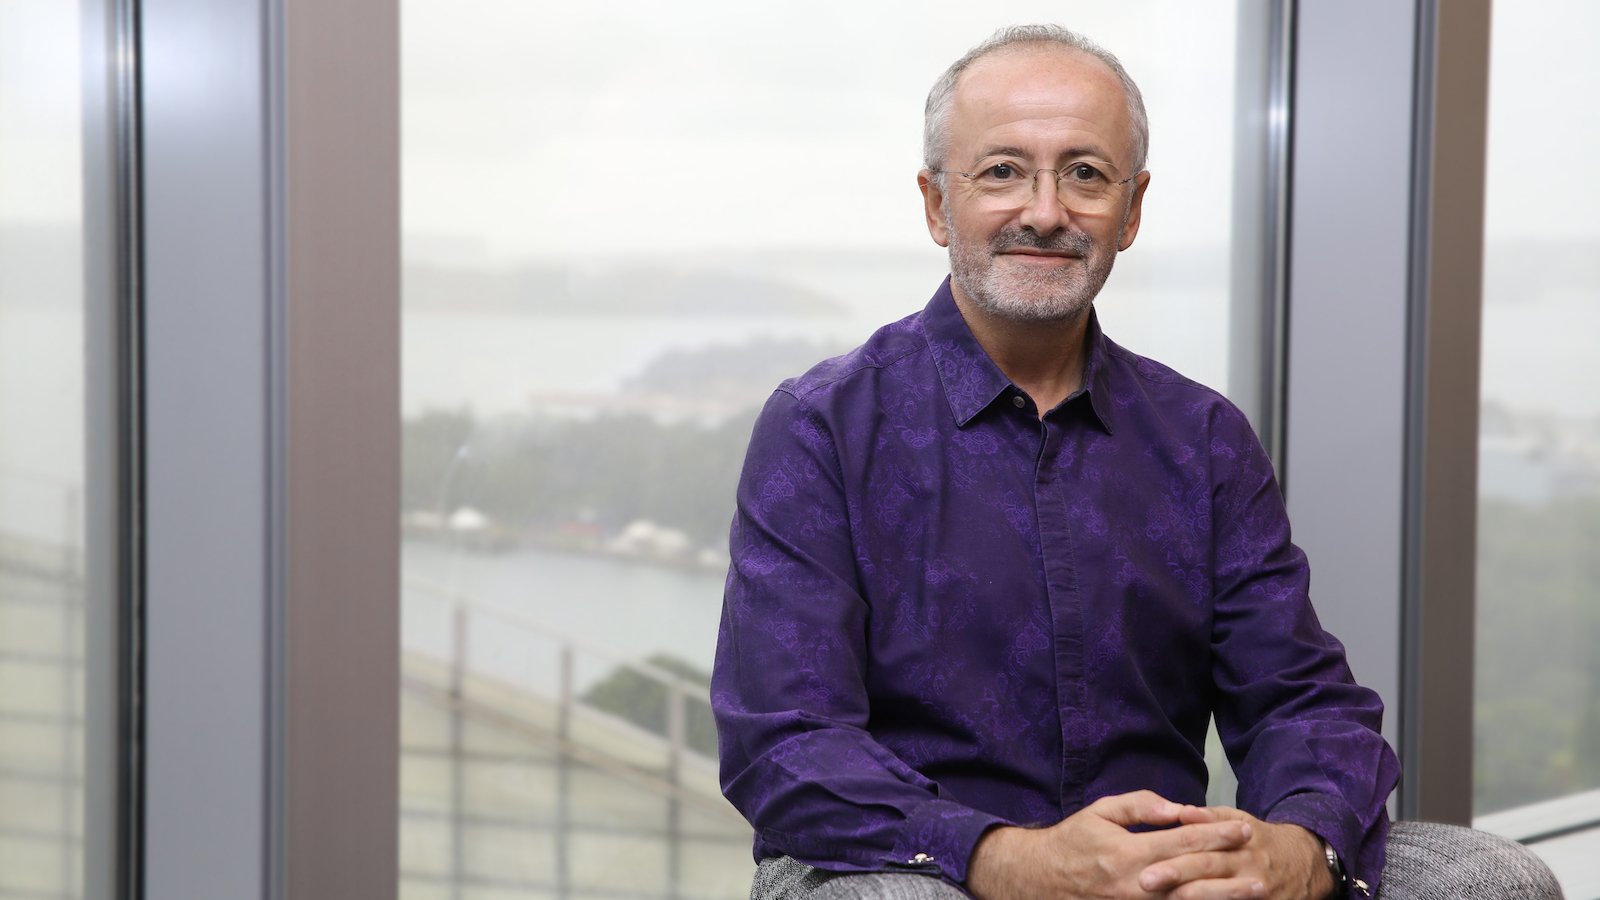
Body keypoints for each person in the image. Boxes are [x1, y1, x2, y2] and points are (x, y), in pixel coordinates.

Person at [711, 25, 1562, 900]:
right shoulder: (822, 427)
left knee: (1495, 879)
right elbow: (785, 744)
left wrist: (1300, 847)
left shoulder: (1202, 436)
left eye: (1085, 174)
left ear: (1132, 209)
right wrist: (1014, 860)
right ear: (936, 205)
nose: (1046, 212)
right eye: (1002, 171)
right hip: (905, 863)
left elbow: (1300, 700)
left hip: (1157, 867)